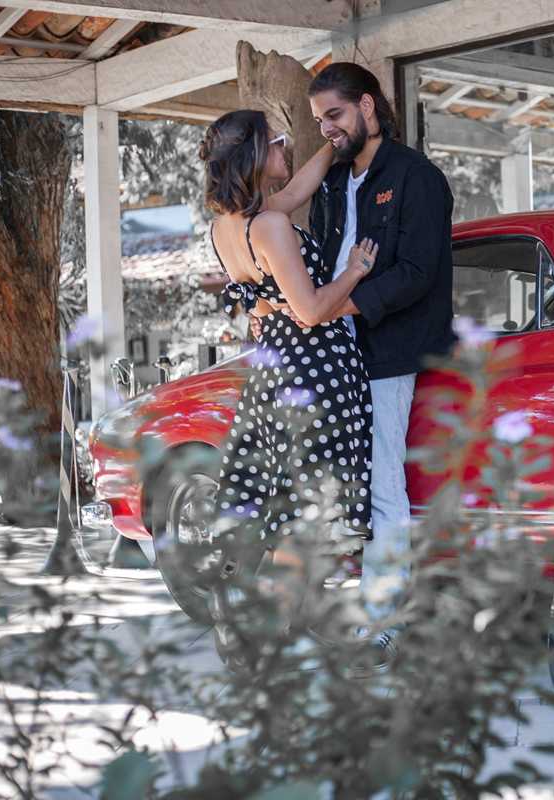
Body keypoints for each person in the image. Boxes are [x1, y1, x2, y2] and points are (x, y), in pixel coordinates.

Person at [199, 109, 378, 665]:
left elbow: (301, 186)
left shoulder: (232, 225)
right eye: (278, 143)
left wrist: (334, 140)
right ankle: (266, 639)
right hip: (312, 373)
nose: (286, 150)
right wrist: (356, 269)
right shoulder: (271, 226)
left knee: (279, 509)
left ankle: (257, 625)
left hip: (274, 374)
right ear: (253, 155)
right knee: (306, 516)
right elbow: (314, 310)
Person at [285, 63, 456, 590]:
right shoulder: (333, 180)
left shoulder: (415, 175)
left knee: (382, 480)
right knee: (330, 482)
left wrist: (338, 306)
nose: (326, 127)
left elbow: (417, 272)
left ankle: (382, 614)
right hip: (332, 349)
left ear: (367, 106)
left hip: (388, 350)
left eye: (334, 114)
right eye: (318, 120)